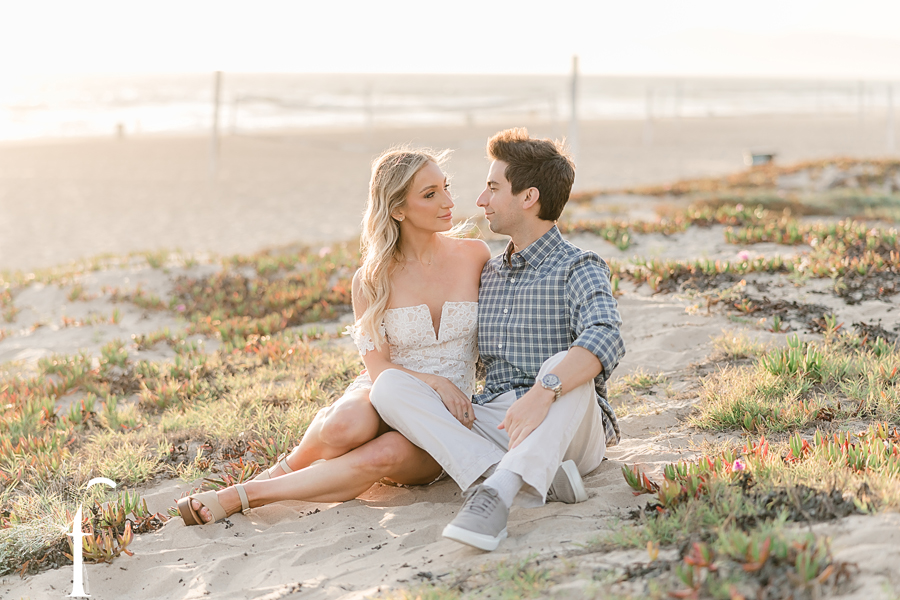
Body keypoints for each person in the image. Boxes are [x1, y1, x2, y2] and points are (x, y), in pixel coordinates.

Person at [177, 146, 490, 525]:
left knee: (384, 455)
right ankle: (284, 468)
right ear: (397, 209)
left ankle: (244, 495)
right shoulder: (371, 279)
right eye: (430, 194)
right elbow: (378, 370)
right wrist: (435, 382)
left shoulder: (475, 256)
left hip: (443, 416)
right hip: (389, 388)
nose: (448, 202)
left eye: (446, 187)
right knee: (345, 425)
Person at [369, 128, 625, 552]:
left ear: (528, 197)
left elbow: (606, 335)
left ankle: (497, 492)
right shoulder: (486, 271)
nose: (479, 200)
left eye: (492, 188)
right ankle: (515, 474)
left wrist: (544, 392)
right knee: (389, 386)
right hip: (498, 422)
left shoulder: (578, 266)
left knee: (562, 364)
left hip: (570, 426)